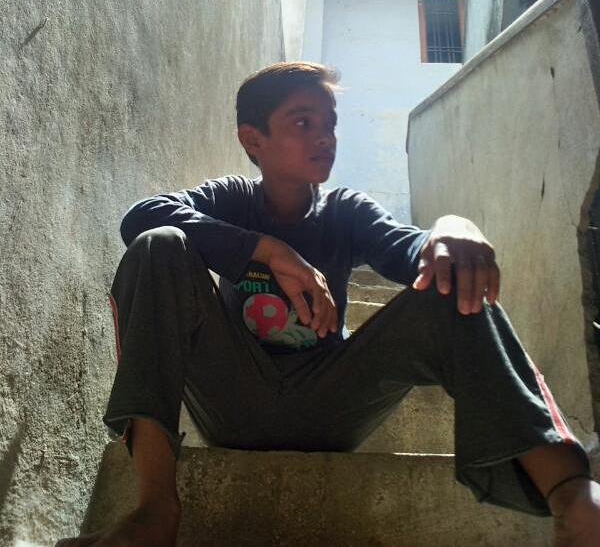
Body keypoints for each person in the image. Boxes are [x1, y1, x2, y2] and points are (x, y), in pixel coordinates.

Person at [57, 61, 600, 547]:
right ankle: (155, 510)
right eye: (303, 122)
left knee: (450, 275)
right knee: (159, 244)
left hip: (330, 404)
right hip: (232, 398)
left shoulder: (346, 211)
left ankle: (572, 496)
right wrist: (266, 249)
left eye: (330, 124)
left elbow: (408, 249)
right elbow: (141, 217)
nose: (325, 137)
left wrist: (452, 228)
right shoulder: (230, 200)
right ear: (253, 139)